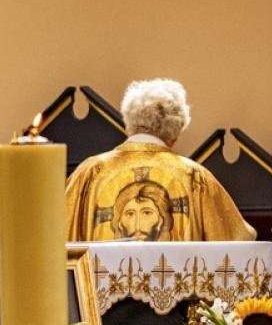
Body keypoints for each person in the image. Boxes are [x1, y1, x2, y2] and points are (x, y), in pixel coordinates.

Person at [65, 78, 253, 242]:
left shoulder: (90, 171)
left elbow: (55, 235)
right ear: (175, 133)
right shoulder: (194, 176)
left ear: (128, 125)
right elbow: (238, 239)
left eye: (147, 213)